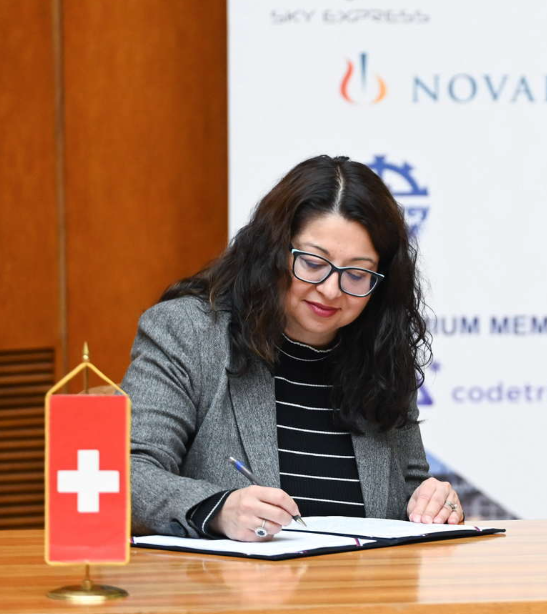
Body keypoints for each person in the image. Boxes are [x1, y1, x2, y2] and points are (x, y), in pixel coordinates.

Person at [123, 155, 460, 541]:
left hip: (361, 580)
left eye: (356, 273)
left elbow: (408, 494)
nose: (331, 290)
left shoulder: (381, 355)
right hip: (228, 580)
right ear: (274, 251)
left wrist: (433, 504)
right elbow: (129, 471)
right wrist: (217, 509)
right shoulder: (189, 333)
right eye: (313, 263)